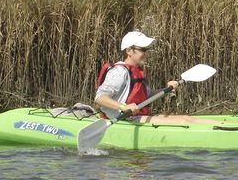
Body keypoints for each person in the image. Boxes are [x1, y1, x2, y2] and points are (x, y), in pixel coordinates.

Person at [95, 31, 224, 124]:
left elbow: (147, 96)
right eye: (143, 50)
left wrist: (166, 89)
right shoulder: (119, 72)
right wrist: (124, 107)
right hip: (124, 119)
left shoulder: (137, 71)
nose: (146, 54)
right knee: (184, 121)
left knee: (187, 118)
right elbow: (100, 97)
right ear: (129, 51)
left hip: (137, 117)